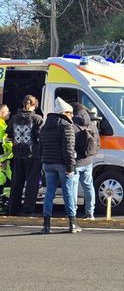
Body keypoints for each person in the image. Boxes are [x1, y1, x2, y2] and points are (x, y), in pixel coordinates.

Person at [40, 97, 80, 234]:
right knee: (68, 192)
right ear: (65, 113)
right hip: (62, 163)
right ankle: (72, 224)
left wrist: (43, 160)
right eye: (70, 112)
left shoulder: (45, 126)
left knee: (49, 193)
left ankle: (46, 225)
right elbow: (68, 148)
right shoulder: (66, 126)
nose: (73, 115)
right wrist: (70, 167)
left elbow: (41, 146)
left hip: (47, 163)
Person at [7, 95, 43, 215]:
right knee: (31, 185)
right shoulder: (38, 119)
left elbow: (9, 136)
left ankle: (13, 208)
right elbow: (40, 138)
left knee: (16, 183)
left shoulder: (14, 118)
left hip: (17, 154)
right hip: (33, 155)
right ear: (35, 105)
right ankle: (27, 209)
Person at [72, 103, 100, 219]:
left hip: (75, 161)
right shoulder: (92, 124)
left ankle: (72, 212)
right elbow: (97, 142)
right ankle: (90, 212)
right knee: (88, 186)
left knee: (72, 187)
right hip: (88, 161)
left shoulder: (71, 124)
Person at [0, 104, 13, 214]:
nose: (9, 113)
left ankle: (4, 204)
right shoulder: (1, 126)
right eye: (7, 111)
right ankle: (2, 205)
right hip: (2, 161)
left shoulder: (3, 125)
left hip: (5, 160)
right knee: (3, 183)